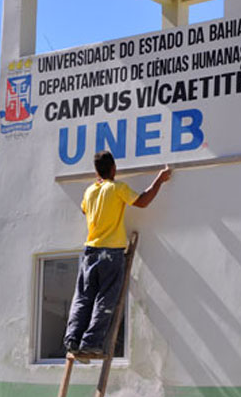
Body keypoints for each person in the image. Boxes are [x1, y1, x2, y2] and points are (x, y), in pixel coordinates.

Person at [63, 151, 172, 358]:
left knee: (84, 298)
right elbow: (142, 201)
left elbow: (85, 211)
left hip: (90, 252)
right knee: (105, 298)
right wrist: (159, 180)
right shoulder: (117, 188)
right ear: (114, 168)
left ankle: (73, 340)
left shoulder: (89, 192)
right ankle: (90, 343)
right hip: (111, 253)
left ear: (97, 172)